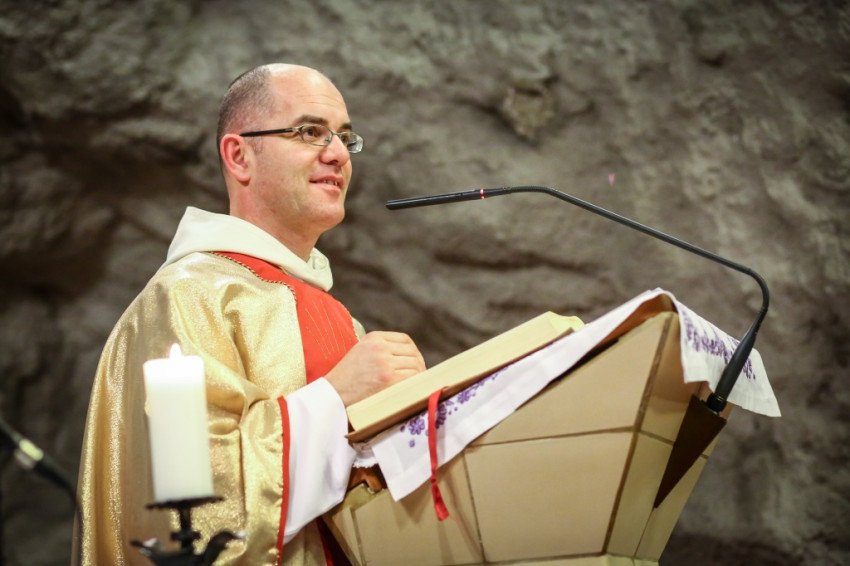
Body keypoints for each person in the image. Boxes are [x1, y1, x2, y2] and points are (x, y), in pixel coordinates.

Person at [76, 63, 426, 565]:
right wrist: (336, 398)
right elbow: (192, 515)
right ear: (240, 156)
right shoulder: (189, 296)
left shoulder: (339, 317)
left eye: (345, 138)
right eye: (310, 132)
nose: (337, 154)